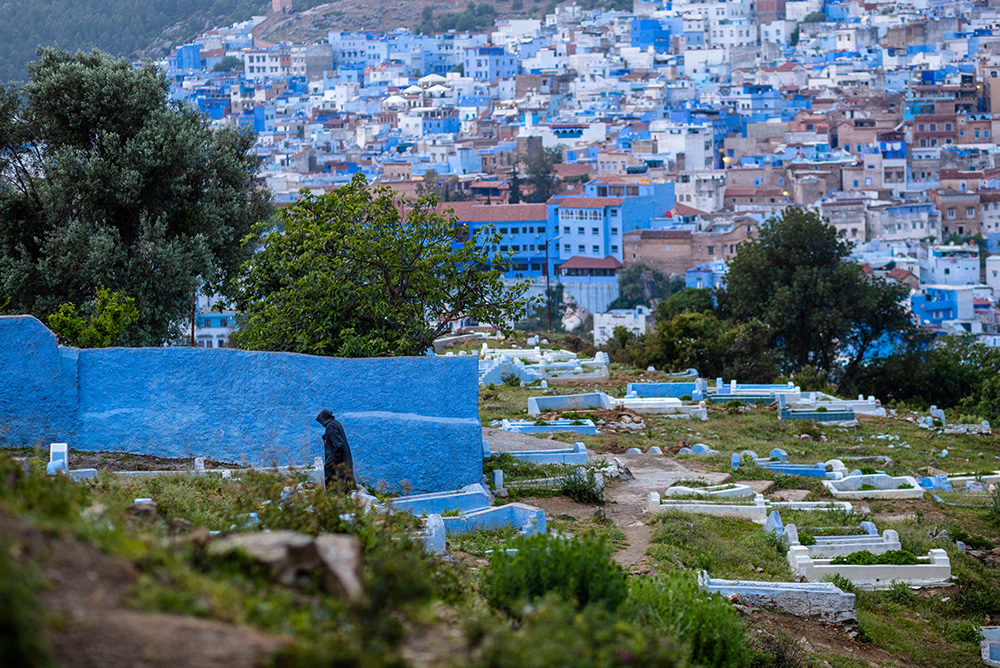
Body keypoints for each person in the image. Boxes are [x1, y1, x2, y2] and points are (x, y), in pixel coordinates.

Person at [316, 409, 354, 487]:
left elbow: (338, 445)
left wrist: (334, 460)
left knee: (330, 477)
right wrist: (327, 436)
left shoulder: (330, 426)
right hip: (343, 458)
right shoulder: (335, 423)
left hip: (336, 459)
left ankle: (333, 495)